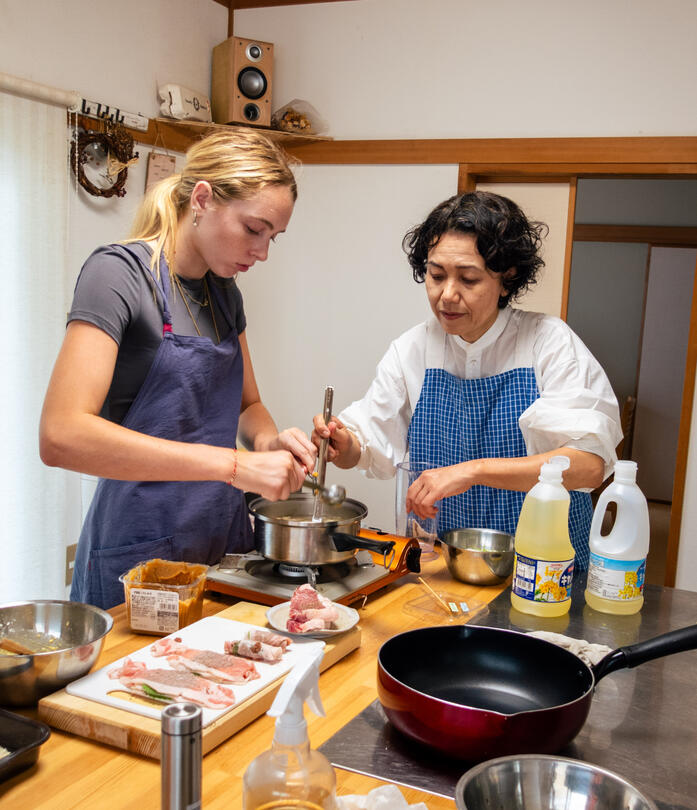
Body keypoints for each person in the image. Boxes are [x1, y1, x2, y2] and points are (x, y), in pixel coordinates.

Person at [40, 129, 316, 609]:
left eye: (274, 236)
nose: (263, 252)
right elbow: (61, 435)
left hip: (223, 539)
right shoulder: (119, 275)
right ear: (204, 199)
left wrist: (271, 443)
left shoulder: (223, 291)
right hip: (140, 548)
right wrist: (234, 466)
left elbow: (247, 404)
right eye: (254, 229)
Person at [312, 191, 622, 568]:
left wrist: (473, 471)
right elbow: (367, 446)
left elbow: (588, 464)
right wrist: (342, 443)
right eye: (436, 275)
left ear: (507, 279)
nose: (447, 295)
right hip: (446, 565)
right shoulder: (414, 349)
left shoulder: (547, 341)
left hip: (546, 569)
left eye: (469, 279)